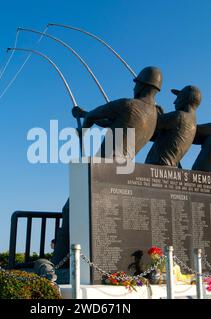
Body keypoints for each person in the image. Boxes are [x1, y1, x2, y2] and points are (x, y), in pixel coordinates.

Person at [53, 66, 164, 265]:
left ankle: (60, 264)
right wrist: (86, 114)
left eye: (136, 83)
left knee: (70, 209)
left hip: (104, 167)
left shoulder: (128, 104)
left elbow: (93, 116)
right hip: (124, 169)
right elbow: (113, 122)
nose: (134, 87)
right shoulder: (154, 115)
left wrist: (83, 130)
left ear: (141, 85)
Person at [145, 85, 202, 167]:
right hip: (167, 167)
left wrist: (153, 110)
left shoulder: (180, 116)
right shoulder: (191, 120)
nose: (174, 102)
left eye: (178, 98)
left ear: (186, 98)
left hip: (159, 166)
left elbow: (148, 124)